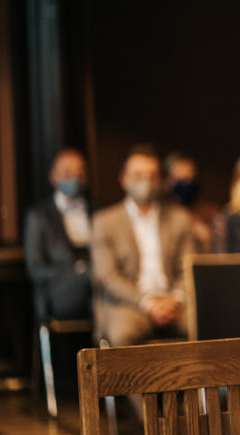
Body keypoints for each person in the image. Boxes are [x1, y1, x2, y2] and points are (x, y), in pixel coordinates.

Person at [91, 143, 197, 347]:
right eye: (138, 175)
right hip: (130, 304)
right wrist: (148, 303)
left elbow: (189, 267)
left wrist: (174, 299)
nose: (146, 182)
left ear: (160, 179)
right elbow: (108, 277)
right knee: (123, 333)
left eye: (152, 175)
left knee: (204, 325)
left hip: (175, 302)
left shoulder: (180, 219)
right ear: (124, 178)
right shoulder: (104, 222)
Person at [24, 147, 94, 323]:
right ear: (53, 176)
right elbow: (36, 269)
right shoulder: (39, 215)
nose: (75, 178)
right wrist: (73, 274)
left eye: (80, 173)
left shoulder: (99, 212)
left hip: (99, 288)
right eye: (68, 173)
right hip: (59, 291)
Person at [163, 150, 213, 252]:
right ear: (167, 180)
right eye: (181, 178)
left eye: (190, 178)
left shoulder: (207, 214)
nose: (187, 183)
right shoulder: (159, 214)